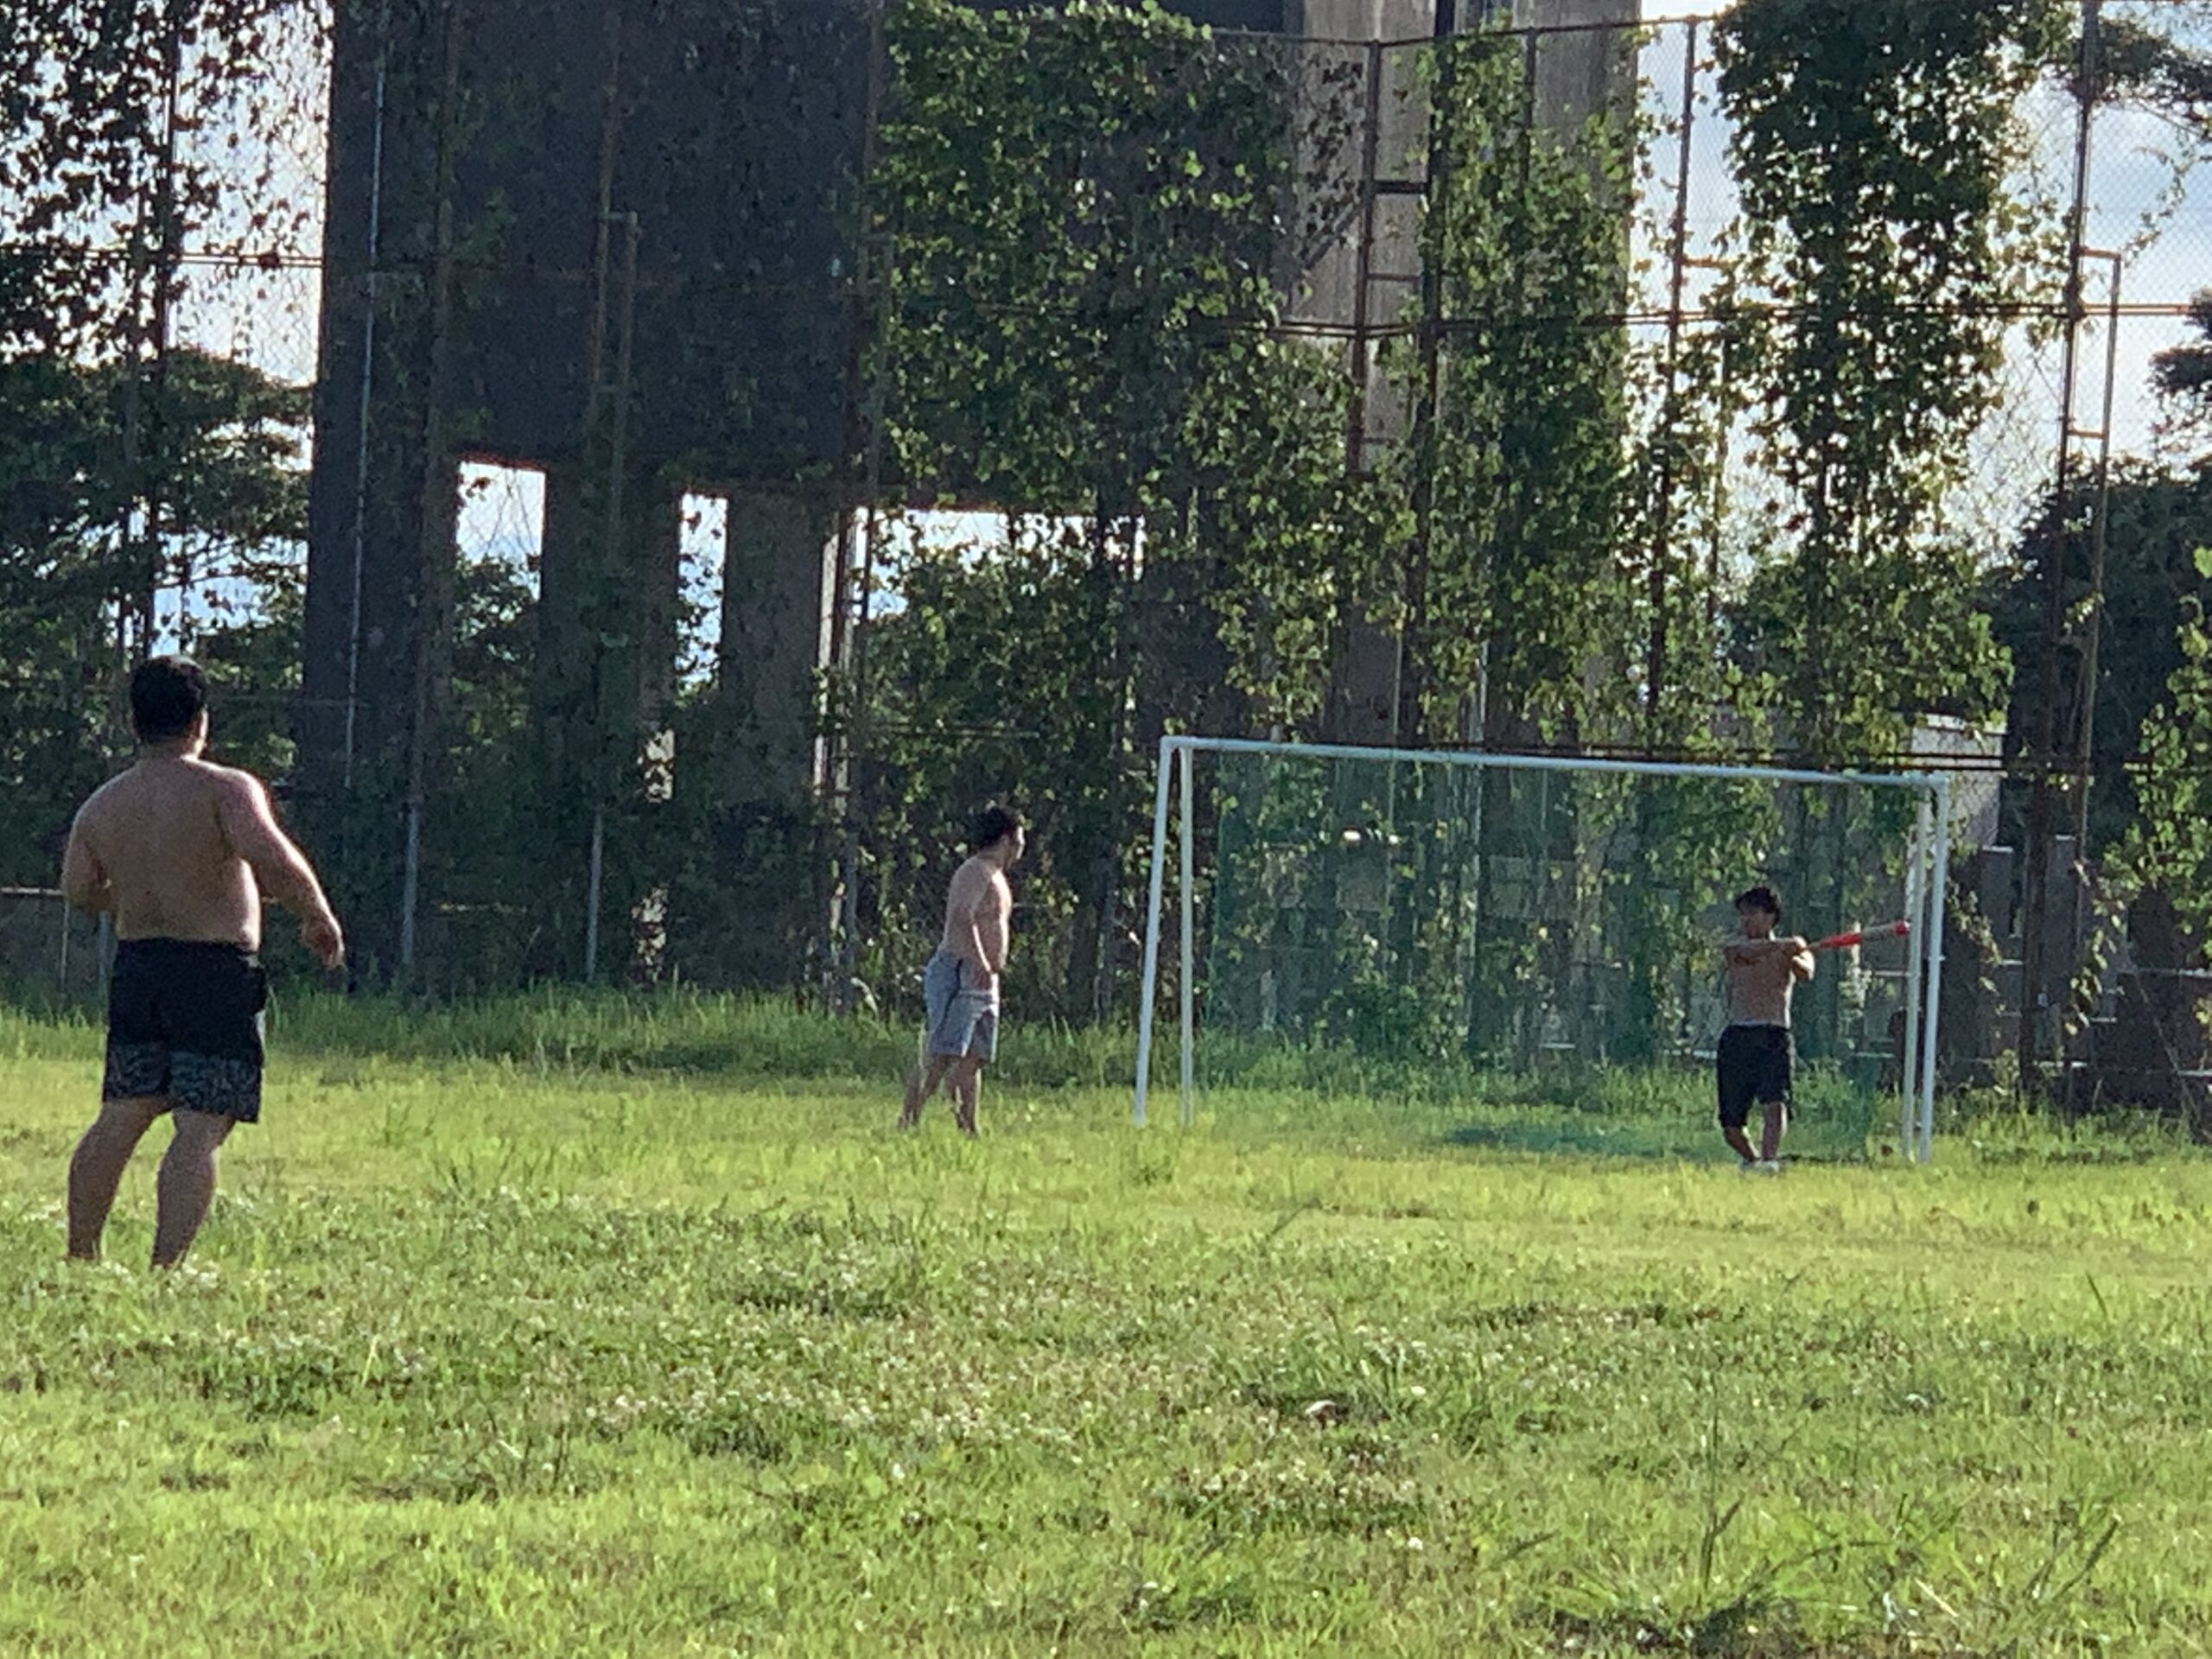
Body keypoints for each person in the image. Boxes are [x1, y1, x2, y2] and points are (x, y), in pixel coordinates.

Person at [60, 656, 345, 1268]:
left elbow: (80, 891)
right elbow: (273, 858)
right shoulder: (224, 789)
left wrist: (130, 896)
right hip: (214, 973)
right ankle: (167, 1269)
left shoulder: (102, 806)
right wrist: (316, 914)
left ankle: (81, 1254)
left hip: (140, 968)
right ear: (200, 721)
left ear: (133, 721)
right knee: (201, 1123)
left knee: (122, 1114)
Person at [901, 804, 1024, 1137]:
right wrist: (981, 960)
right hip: (962, 971)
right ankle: (909, 1120)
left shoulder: (997, 877)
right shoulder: (975, 871)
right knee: (942, 1053)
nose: (1021, 849)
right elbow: (962, 916)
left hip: (985, 980)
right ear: (1006, 839)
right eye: (1019, 841)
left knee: (974, 1057)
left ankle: (968, 1127)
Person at [1717, 884, 1813, 1174]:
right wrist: (1778, 949)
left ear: (1771, 917)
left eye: (1753, 913)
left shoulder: (1792, 946)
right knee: (1731, 1125)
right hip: (1738, 1035)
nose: (1746, 920)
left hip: (1773, 1034)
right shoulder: (1737, 948)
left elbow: (1806, 972)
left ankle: (1769, 1161)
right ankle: (1752, 1159)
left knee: (1775, 1102)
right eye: (1743, 914)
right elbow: (1738, 953)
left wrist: (1792, 956)